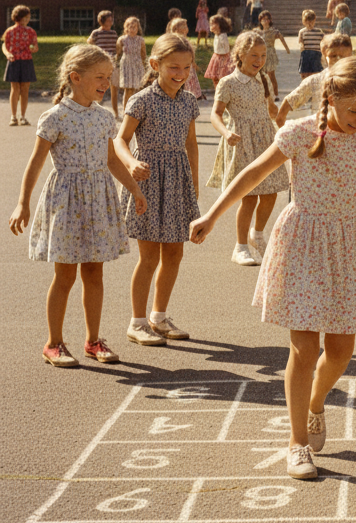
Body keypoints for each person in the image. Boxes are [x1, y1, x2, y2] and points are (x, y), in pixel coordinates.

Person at [189, 56, 356, 480]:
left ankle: (317, 403)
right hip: (303, 243)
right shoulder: (299, 132)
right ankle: (297, 442)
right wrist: (212, 216)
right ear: (329, 97)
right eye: (355, 111)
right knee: (304, 348)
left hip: (349, 245)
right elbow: (252, 175)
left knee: (340, 352)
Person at [9, 44, 145, 367]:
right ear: (76, 77)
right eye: (100, 77)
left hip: (98, 198)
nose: (106, 83)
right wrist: (22, 203)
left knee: (94, 272)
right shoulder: (55, 117)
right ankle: (53, 343)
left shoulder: (103, 117)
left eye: (109, 77)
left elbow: (112, 160)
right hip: (67, 200)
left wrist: (135, 190)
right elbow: (36, 162)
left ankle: (93, 340)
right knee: (65, 275)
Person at [113, 33, 201, 346]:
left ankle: (159, 317)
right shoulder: (141, 99)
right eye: (173, 67)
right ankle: (137, 323)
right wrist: (130, 165)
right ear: (155, 64)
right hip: (148, 179)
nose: (180, 74)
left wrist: (194, 183)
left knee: (174, 253)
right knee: (148, 257)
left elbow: (191, 143)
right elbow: (120, 140)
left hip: (178, 180)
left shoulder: (190, 100)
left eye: (186, 68)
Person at [207, 31, 288, 267]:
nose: (260, 60)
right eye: (254, 55)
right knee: (249, 197)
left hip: (266, 140)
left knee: (271, 193)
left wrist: (284, 124)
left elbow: (271, 109)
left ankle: (258, 234)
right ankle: (240, 247)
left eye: (263, 55)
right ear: (240, 55)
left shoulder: (263, 79)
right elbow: (216, 114)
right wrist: (225, 132)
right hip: (241, 141)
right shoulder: (228, 83)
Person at [277, 33, 353, 127]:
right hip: (321, 132)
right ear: (325, 57)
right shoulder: (315, 81)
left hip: (348, 133)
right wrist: (281, 120)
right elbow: (290, 100)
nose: (338, 60)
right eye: (333, 56)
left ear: (350, 56)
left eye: (343, 56)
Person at [3, 5, 39, 126]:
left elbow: (35, 47)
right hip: (14, 61)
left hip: (26, 61)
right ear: (18, 17)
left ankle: (23, 117)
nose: (27, 19)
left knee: (25, 89)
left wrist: (33, 48)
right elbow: (4, 45)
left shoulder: (31, 31)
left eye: (28, 17)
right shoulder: (10, 31)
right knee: (15, 88)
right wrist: (8, 54)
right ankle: (13, 117)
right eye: (25, 17)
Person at [88, 11, 121, 120]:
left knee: (114, 88)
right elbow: (90, 45)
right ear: (102, 21)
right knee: (98, 88)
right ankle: (95, 111)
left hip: (112, 65)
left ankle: (116, 112)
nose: (111, 21)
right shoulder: (96, 33)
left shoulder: (113, 34)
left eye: (112, 19)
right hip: (99, 65)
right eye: (109, 19)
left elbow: (117, 49)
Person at [255, 10, 291, 98]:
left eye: (267, 19)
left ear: (270, 20)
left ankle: (276, 94)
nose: (266, 21)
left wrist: (287, 49)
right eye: (263, 20)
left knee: (271, 75)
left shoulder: (274, 31)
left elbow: (282, 38)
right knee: (262, 75)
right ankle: (264, 94)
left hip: (270, 54)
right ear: (260, 21)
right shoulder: (258, 32)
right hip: (261, 54)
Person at [168, 17, 205, 101]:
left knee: (189, 82)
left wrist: (193, 62)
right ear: (176, 28)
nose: (186, 28)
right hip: (179, 65)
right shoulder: (174, 39)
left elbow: (190, 52)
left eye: (186, 26)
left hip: (188, 65)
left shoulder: (186, 39)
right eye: (183, 26)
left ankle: (189, 98)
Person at [117, 16, 147, 110]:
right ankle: (126, 109)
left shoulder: (141, 40)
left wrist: (144, 65)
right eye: (130, 26)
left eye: (135, 27)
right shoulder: (122, 40)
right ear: (126, 27)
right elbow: (118, 53)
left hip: (137, 64)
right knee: (128, 89)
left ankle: (138, 109)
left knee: (139, 88)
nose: (133, 29)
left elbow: (143, 54)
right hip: (127, 64)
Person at [203, 14, 234, 91]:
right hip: (216, 57)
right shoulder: (217, 35)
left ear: (219, 25)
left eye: (213, 24)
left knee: (221, 77)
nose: (211, 26)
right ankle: (217, 92)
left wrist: (223, 61)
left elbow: (226, 50)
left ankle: (222, 93)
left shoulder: (223, 36)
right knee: (215, 77)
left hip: (222, 58)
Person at [298, 9, 326, 80]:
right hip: (306, 54)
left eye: (311, 21)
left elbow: (324, 41)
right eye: (307, 21)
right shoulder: (302, 32)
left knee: (316, 73)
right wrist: (301, 46)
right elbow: (300, 41)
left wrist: (323, 54)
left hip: (316, 54)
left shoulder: (319, 31)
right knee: (304, 74)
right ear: (304, 21)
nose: (309, 23)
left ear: (314, 20)